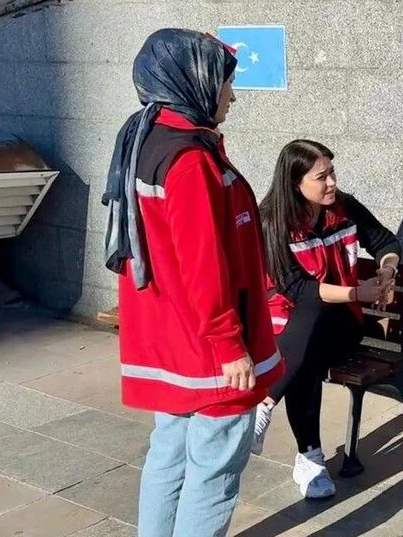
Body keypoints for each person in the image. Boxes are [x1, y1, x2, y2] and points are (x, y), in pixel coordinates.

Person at [102, 28, 282, 537]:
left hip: (172, 337)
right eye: (226, 82)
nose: (232, 95)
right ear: (196, 82)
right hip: (206, 347)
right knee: (215, 471)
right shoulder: (189, 162)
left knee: (170, 456)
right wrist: (230, 345)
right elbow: (204, 265)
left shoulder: (146, 135)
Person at [252, 139, 402, 499]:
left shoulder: (344, 208)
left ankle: (265, 406)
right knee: (306, 343)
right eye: (322, 177)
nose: (332, 182)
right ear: (294, 183)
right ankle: (310, 458)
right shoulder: (272, 221)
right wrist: (356, 292)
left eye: (332, 172)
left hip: (341, 327)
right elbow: (297, 288)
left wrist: (387, 271)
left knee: (314, 322)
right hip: (285, 330)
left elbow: (384, 240)